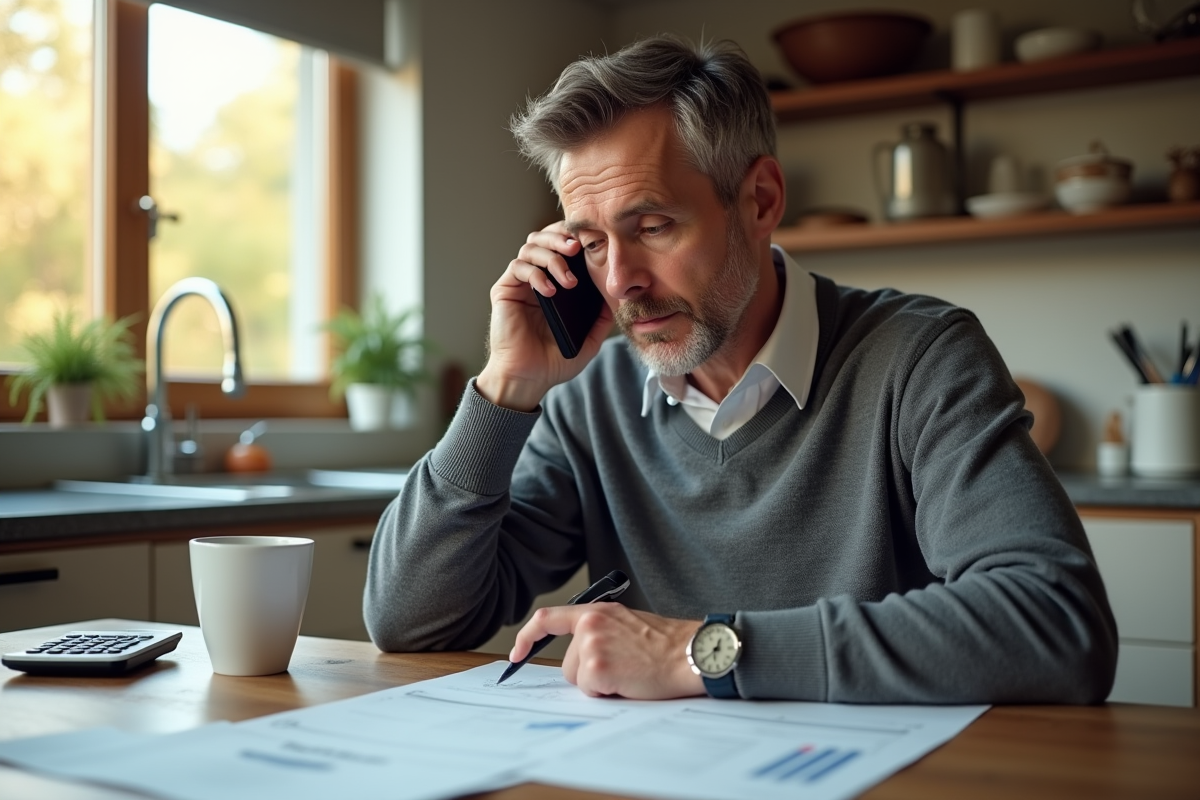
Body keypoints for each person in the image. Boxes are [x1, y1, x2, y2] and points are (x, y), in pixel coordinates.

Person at [364, 35, 1117, 703]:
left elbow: (1054, 621)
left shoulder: (920, 358)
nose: (620, 280)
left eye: (652, 225)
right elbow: (412, 620)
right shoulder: (585, 400)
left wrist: (703, 652)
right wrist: (507, 388)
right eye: (591, 243)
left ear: (758, 200)